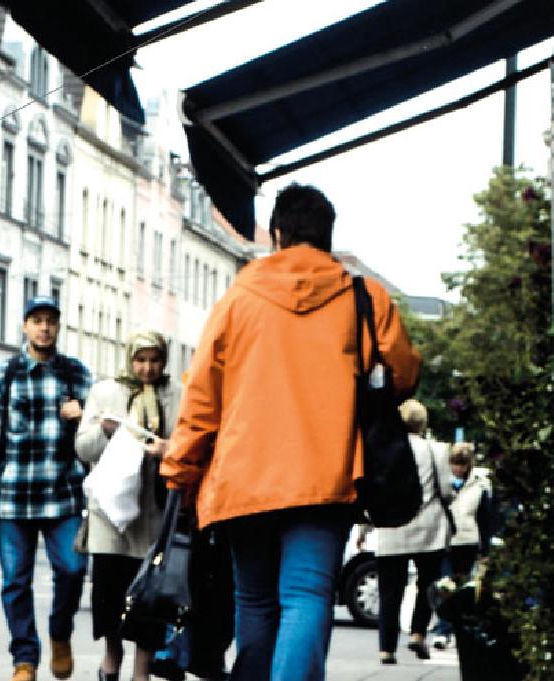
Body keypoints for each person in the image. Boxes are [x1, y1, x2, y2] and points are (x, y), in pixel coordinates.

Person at [161, 183, 421, 681]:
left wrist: (180, 470)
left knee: (255, 600)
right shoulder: (364, 298)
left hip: (243, 478)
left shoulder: (238, 299)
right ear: (327, 236)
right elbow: (403, 374)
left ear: (277, 234)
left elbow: (202, 397)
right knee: (306, 594)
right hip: (327, 476)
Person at [0, 296, 93, 681]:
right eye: (37, 320)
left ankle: (60, 633)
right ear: (25, 326)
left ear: (58, 326)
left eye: (50, 321)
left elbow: (101, 429)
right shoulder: (5, 376)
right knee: (15, 582)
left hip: (63, 495)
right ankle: (24, 660)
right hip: (14, 497)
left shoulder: (76, 374)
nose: (44, 328)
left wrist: (84, 415)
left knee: (73, 570)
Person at [75, 330, 180, 681]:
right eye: (140, 360)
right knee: (109, 590)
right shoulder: (106, 392)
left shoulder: (177, 396)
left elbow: (190, 446)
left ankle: (141, 670)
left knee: (149, 596)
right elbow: (83, 449)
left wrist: (168, 450)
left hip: (154, 512)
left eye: (154, 360)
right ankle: (112, 655)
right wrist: (104, 431)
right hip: (110, 513)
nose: (147, 368)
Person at [356, 399, 453, 664]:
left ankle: (386, 648)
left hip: (391, 528)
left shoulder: (383, 448)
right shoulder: (436, 450)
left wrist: (364, 528)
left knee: (390, 589)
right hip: (428, 527)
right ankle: (418, 633)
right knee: (427, 583)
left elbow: (373, 492)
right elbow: (446, 491)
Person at [432, 442, 494, 650]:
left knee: (461, 589)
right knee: (445, 585)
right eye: (454, 463)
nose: (457, 468)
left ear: (469, 465)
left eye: (462, 464)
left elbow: (484, 520)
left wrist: (485, 550)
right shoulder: (443, 482)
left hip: (468, 542)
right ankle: (443, 631)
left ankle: (457, 630)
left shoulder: (480, 485)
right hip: (445, 541)